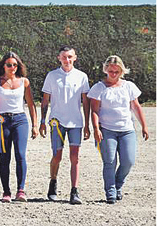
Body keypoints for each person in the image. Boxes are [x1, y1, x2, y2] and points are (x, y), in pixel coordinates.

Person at [88, 55, 149, 204]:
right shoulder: (99, 88)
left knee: (128, 160)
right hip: (107, 130)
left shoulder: (129, 86)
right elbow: (94, 110)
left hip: (126, 129)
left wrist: (144, 126)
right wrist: (96, 128)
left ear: (121, 71)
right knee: (109, 161)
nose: (113, 74)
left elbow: (136, 106)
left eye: (116, 71)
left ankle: (118, 184)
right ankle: (110, 192)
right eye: (110, 71)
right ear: (106, 70)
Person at [40, 45, 90, 205]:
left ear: (75, 58)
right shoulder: (52, 76)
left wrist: (87, 125)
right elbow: (45, 100)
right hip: (57, 123)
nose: (67, 60)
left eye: (70, 57)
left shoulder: (82, 76)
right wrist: (42, 121)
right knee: (57, 156)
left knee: (74, 157)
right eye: (64, 57)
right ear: (59, 58)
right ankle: (53, 181)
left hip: (75, 123)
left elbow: (86, 102)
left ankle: (74, 191)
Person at [0, 52, 38, 203]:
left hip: (20, 120)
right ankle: (6, 191)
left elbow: (30, 104)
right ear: (3, 66)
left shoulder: (24, 82)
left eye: (15, 65)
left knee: (20, 155)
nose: (12, 68)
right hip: (2, 120)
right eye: (9, 65)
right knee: (4, 156)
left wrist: (35, 124)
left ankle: (21, 190)